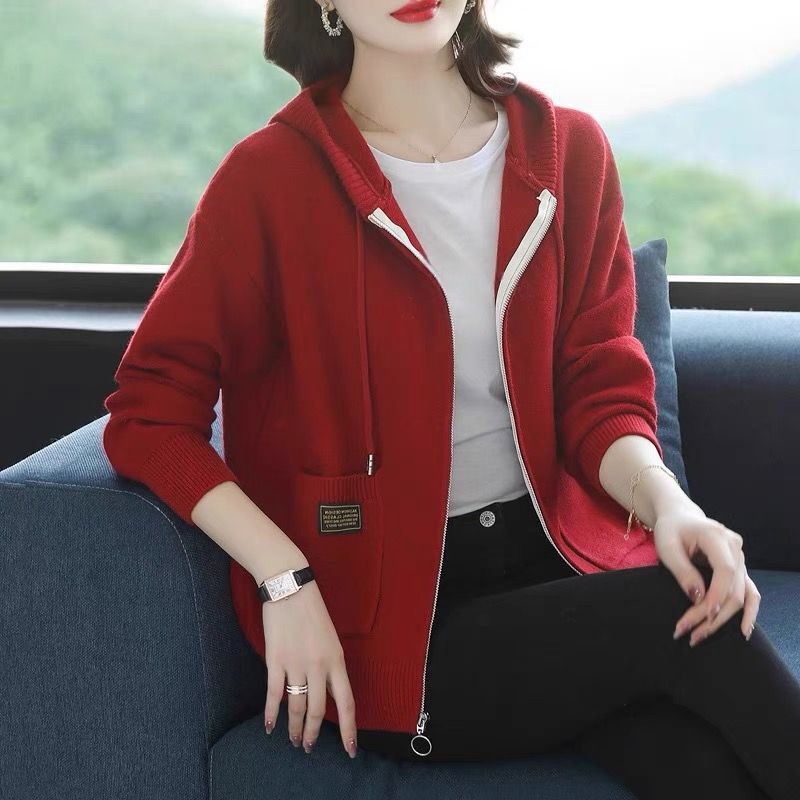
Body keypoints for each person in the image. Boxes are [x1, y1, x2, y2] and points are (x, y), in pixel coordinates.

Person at [102, 1, 800, 798]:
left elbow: (599, 388)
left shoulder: (566, 153)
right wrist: (283, 576)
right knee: (686, 618)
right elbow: (148, 412)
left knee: (710, 768)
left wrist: (670, 505)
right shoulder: (271, 179)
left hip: (557, 574)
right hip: (399, 633)